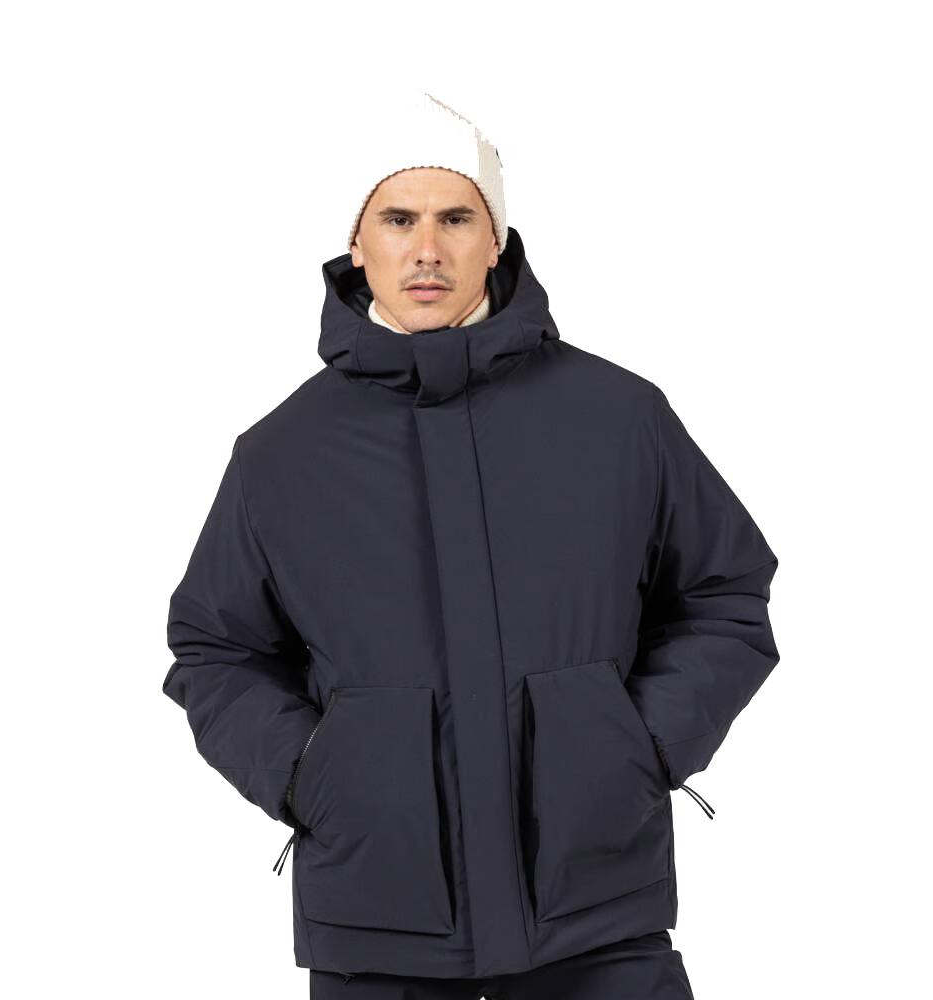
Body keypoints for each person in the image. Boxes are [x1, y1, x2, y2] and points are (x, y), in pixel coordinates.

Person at [162, 91, 780, 999]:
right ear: (356, 242)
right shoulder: (282, 454)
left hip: (598, 915)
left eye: (456, 218)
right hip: (381, 928)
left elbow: (723, 592)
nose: (427, 249)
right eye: (397, 219)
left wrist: (638, 746)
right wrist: (311, 775)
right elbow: (216, 647)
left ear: (497, 241)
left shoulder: (618, 417)